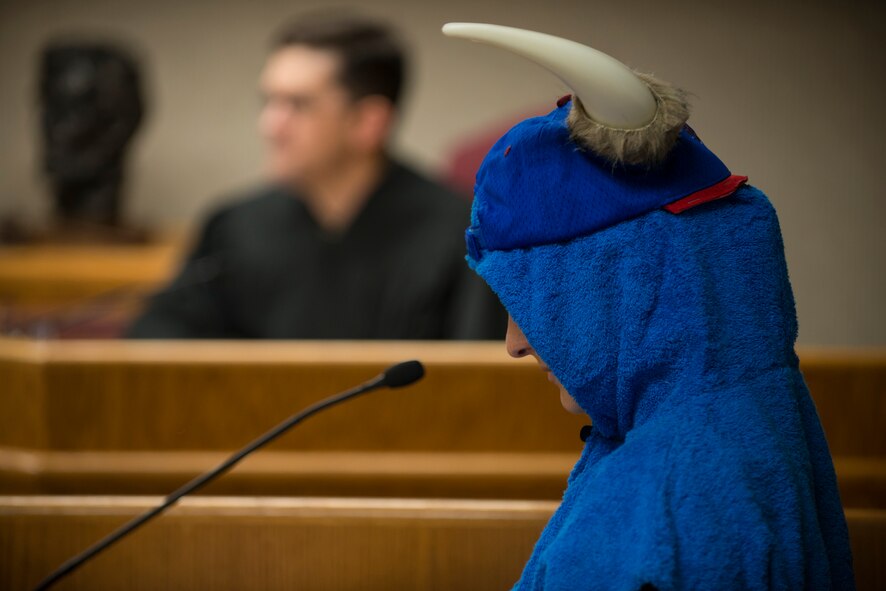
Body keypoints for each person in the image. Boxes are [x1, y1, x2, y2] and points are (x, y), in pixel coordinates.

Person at [443, 23, 855, 590]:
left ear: (620, 283)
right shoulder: (751, 430)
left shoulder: (670, 503)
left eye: (535, 301)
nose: (514, 342)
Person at [128, 14, 504, 339]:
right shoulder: (235, 228)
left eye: (297, 105)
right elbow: (161, 339)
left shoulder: (460, 234)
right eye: (269, 102)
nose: (270, 126)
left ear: (367, 122)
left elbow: (475, 377)